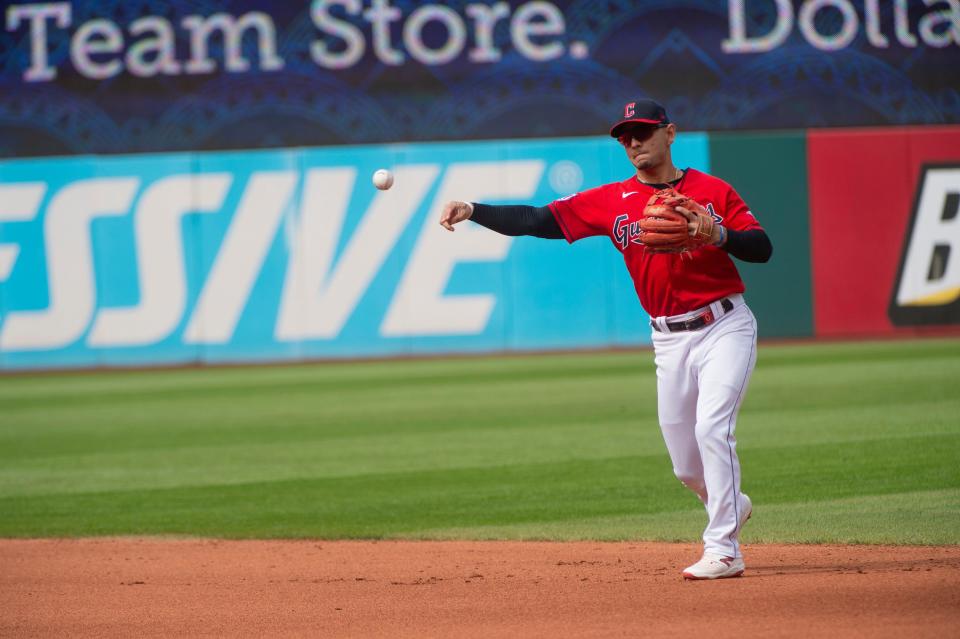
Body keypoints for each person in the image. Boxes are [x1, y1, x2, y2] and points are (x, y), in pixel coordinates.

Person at [439, 98, 772, 580]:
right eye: (624, 135)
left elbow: (761, 248)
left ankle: (724, 549)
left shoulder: (711, 190)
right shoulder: (609, 199)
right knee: (685, 467)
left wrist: (717, 234)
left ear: (669, 133)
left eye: (642, 131)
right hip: (667, 339)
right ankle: (731, 504)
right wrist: (473, 210)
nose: (633, 142)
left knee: (711, 430)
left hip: (724, 326)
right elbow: (536, 220)